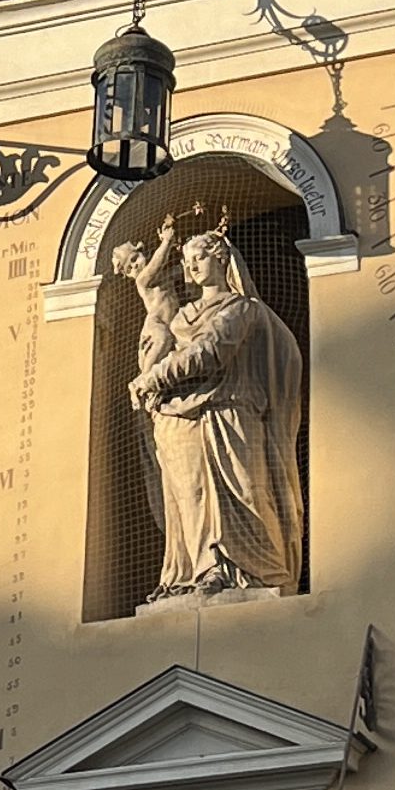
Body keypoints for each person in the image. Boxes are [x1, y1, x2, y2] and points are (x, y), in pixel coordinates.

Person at [124, 226, 307, 598]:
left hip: (231, 412)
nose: (191, 267)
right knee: (189, 494)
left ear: (222, 258)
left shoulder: (241, 308)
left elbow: (210, 352)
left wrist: (153, 379)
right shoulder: (181, 316)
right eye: (187, 260)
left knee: (244, 490)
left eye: (200, 257)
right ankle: (198, 570)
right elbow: (165, 349)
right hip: (179, 418)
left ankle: (251, 572)